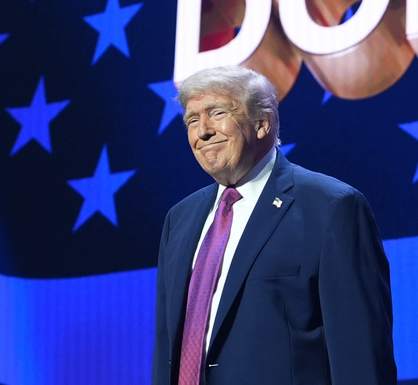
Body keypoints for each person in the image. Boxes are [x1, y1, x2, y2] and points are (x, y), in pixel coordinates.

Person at [152, 65, 396, 384]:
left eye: (217, 112)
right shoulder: (179, 219)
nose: (203, 131)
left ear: (262, 123)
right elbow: (166, 348)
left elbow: (360, 356)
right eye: (192, 120)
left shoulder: (330, 207)